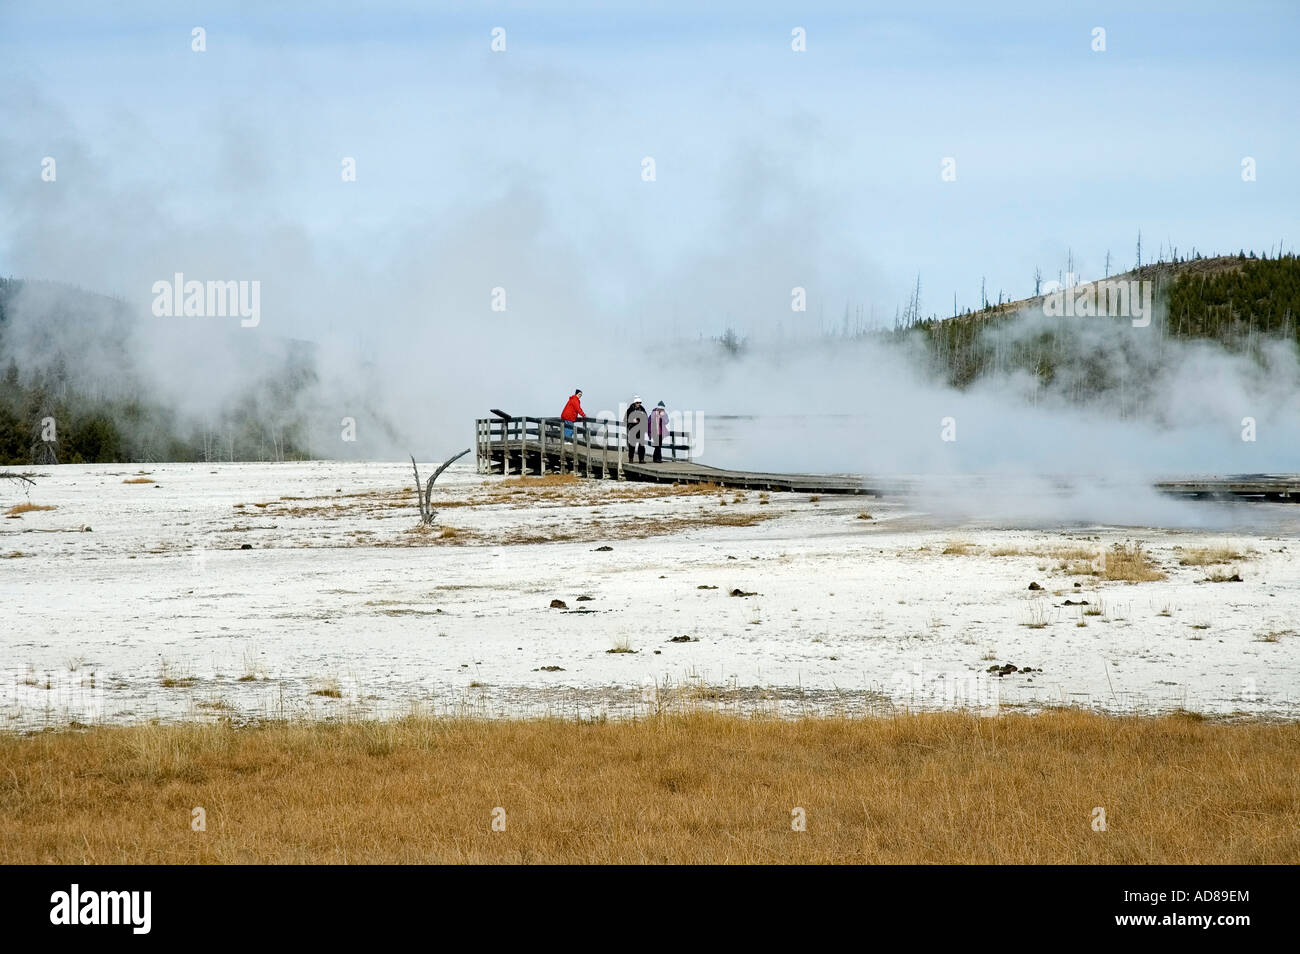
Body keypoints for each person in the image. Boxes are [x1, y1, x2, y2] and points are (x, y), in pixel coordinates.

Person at [625, 396, 648, 463]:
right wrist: (632, 420)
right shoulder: (630, 409)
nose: (639, 404)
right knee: (632, 445)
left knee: (641, 445)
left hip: (640, 429)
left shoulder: (642, 409)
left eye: (640, 402)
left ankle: (641, 459)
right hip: (633, 429)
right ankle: (631, 459)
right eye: (637, 403)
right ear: (635, 403)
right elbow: (625, 419)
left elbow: (646, 417)